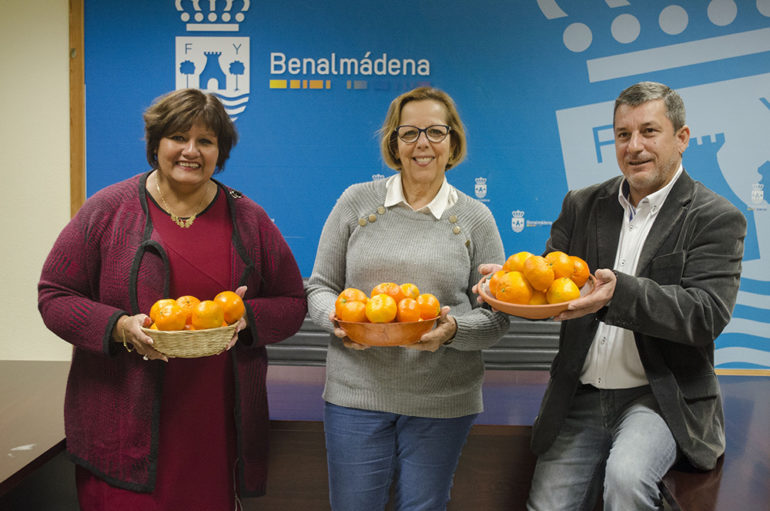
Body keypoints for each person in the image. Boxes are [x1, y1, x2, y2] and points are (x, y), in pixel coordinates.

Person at [478, 81, 746, 510]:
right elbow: (548, 285)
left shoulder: (715, 217)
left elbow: (705, 314)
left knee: (626, 479)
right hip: (580, 395)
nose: (634, 146)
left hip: (659, 398)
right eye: (623, 135)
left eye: (649, 131)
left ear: (682, 138)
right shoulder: (582, 205)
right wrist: (505, 283)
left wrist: (618, 294)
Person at [38, 88, 307, 510]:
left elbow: (293, 301)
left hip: (213, 425)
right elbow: (54, 295)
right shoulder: (107, 210)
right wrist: (120, 328)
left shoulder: (249, 218)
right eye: (178, 137)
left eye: (206, 140)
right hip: (121, 422)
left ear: (221, 150)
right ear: (156, 144)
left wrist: (249, 318)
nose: (190, 151)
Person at [305, 86, 510, 510]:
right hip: (356, 394)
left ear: (452, 142)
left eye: (436, 132)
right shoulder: (356, 202)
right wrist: (339, 322)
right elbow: (320, 287)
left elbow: (496, 316)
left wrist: (452, 331)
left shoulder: (475, 217)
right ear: (393, 143)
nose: (423, 144)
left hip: (442, 398)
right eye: (409, 133)